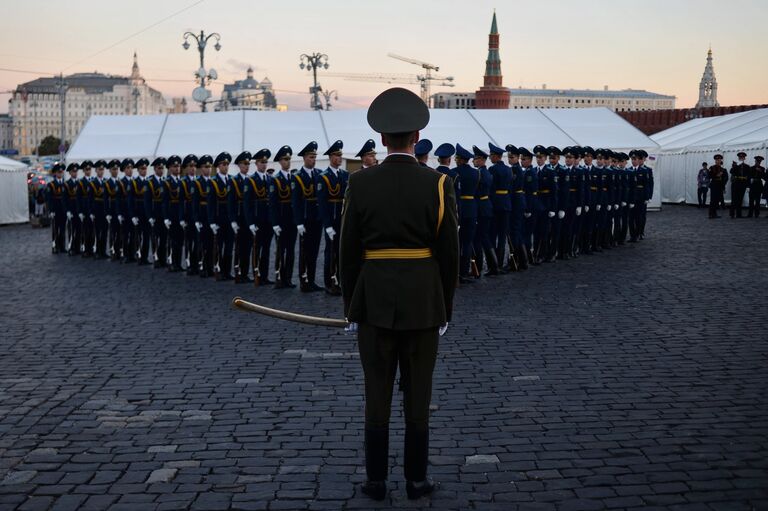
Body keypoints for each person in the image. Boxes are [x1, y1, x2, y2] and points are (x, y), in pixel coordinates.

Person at [340, 87, 459, 501]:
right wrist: (445, 307)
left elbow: (348, 251)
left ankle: (375, 481)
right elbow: (449, 254)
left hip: (373, 300)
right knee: (419, 394)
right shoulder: (439, 183)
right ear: (416, 136)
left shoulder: (361, 182)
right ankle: (415, 480)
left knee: (376, 392)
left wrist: (350, 305)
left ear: (383, 139)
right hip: (425, 302)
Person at [317, 140, 348, 295]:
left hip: (341, 219)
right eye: (336, 155)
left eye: (340, 155)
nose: (339, 158)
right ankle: (329, 282)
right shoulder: (324, 177)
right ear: (330, 157)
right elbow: (322, 203)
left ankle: (339, 281)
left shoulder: (344, 175)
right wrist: (327, 225)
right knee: (330, 252)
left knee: (341, 252)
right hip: (331, 219)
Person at [292, 142, 323, 292]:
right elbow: (296, 202)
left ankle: (311, 279)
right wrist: (298, 222)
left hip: (316, 219)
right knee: (304, 251)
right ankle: (303, 280)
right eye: (311, 157)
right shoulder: (298, 177)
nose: (313, 160)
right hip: (305, 219)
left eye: (315, 157)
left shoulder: (318, 174)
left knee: (315, 250)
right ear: (304, 158)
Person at [269, 145, 297, 288]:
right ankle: (279, 278)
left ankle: (288, 278)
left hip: (292, 221)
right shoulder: (275, 179)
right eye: (285, 159)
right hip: (281, 220)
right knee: (281, 250)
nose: (288, 162)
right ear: (280, 161)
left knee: (291, 250)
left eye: (289, 159)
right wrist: (275, 223)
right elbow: (273, 203)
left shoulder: (293, 177)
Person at [246, 149, 273, 284]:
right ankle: (256, 274)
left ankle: (265, 275)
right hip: (257, 220)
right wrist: (250, 222)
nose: (264, 165)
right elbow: (247, 203)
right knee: (257, 248)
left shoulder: (269, 179)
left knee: (267, 249)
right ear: (256, 163)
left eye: (265, 162)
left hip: (268, 220)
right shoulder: (251, 180)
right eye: (262, 162)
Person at [454, 143, 478, 282]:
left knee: (458, 243)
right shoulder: (476, 173)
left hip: (460, 208)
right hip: (472, 208)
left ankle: (457, 271)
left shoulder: (455, 172)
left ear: (460, 159)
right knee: (468, 243)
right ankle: (464, 270)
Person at [471, 145, 497, 276]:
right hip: (486, 206)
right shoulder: (487, 172)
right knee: (484, 237)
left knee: (478, 239)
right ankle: (493, 265)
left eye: (475, 159)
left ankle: (480, 267)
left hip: (481, 207)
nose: (473, 161)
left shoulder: (480, 174)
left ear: (481, 159)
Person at [209, 152, 234, 280]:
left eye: (227, 164)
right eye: (223, 164)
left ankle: (227, 271)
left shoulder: (231, 180)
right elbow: (211, 203)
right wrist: (212, 221)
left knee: (229, 247)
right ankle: (218, 270)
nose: (226, 167)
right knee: (218, 246)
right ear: (218, 166)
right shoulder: (213, 182)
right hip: (218, 218)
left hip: (229, 219)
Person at [487, 143, 511, 270]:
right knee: (502, 236)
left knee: (492, 234)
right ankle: (500, 262)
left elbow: (490, 188)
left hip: (496, 204)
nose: (490, 158)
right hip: (506, 204)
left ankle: (493, 264)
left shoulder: (492, 170)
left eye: (491, 155)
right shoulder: (508, 169)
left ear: (497, 156)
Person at [230, 151, 253, 282]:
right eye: (244, 164)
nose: (247, 166)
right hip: (239, 218)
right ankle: (238, 273)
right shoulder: (234, 181)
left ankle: (245, 273)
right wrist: (233, 220)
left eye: (248, 164)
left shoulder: (250, 180)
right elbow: (231, 202)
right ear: (239, 165)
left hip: (248, 218)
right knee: (239, 247)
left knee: (248, 246)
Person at [193, 155, 214, 277]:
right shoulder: (197, 183)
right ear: (201, 168)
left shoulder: (213, 181)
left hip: (211, 217)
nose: (208, 169)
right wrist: (196, 219)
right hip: (202, 216)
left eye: (210, 166)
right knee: (201, 243)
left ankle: (210, 267)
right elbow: (195, 203)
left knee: (211, 244)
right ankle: (201, 266)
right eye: (206, 167)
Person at [163, 155, 184, 272]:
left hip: (179, 215)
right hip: (171, 214)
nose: (177, 168)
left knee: (180, 240)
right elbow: (164, 202)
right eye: (175, 166)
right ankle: (171, 262)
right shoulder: (167, 183)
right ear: (170, 168)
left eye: (178, 166)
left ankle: (178, 263)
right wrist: (166, 217)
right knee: (172, 240)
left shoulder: (182, 182)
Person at [145, 157, 167, 268]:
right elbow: (147, 201)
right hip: (154, 212)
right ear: (154, 169)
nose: (161, 170)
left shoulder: (165, 181)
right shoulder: (150, 182)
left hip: (163, 214)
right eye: (159, 168)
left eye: (162, 168)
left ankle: (163, 258)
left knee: (164, 238)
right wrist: (149, 216)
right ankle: (156, 258)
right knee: (155, 238)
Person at [180, 155, 199, 274]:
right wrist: (181, 218)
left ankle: (197, 264)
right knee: (188, 242)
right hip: (188, 216)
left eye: (194, 166)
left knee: (198, 242)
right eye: (190, 166)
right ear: (186, 168)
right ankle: (189, 265)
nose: (193, 168)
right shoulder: (183, 183)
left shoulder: (199, 181)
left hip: (198, 216)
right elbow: (181, 202)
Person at [131, 158, 151, 265]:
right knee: (138, 236)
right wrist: (133, 215)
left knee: (147, 236)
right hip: (138, 211)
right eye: (142, 169)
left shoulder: (149, 182)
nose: (144, 171)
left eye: (145, 168)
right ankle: (138, 255)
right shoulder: (134, 182)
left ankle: (145, 256)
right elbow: (130, 200)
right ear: (138, 170)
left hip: (147, 213)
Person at [44, 163, 67, 254]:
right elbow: (49, 199)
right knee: (55, 229)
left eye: (61, 172)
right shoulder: (51, 185)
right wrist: (51, 210)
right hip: (55, 209)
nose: (60, 174)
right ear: (55, 173)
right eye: (58, 172)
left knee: (63, 228)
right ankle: (55, 246)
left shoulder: (65, 184)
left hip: (63, 209)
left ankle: (62, 246)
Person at [89, 160, 109, 259]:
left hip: (104, 209)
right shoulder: (93, 183)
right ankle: (96, 251)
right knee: (97, 232)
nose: (101, 171)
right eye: (99, 170)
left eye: (102, 169)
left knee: (104, 231)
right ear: (96, 170)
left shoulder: (106, 182)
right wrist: (91, 212)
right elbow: (90, 198)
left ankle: (103, 251)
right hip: (96, 208)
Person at [118, 159, 136, 263]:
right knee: (125, 234)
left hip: (133, 211)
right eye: (127, 168)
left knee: (133, 234)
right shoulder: (121, 182)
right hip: (124, 211)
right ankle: (125, 254)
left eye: (131, 168)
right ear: (124, 170)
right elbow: (118, 200)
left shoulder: (134, 181)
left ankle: (132, 254)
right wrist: (119, 213)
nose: (130, 170)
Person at [104, 160, 122, 260]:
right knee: (113, 232)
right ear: (110, 170)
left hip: (119, 210)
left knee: (120, 232)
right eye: (113, 169)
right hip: (112, 209)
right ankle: (113, 251)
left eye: (117, 169)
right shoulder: (107, 183)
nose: (115, 171)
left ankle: (120, 250)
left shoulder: (120, 182)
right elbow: (106, 199)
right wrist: (107, 213)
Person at [63, 163, 81, 255]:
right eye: (73, 171)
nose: (75, 173)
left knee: (79, 229)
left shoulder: (79, 183)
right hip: (71, 208)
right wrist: (67, 211)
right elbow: (64, 199)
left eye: (76, 171)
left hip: (78, 209)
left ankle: (77, 248)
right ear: (70, 173)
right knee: (71, 229)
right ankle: (71, 248)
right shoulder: (67, 184)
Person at [78, 160, 94, 257]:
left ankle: (92, 248)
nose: (88, 171)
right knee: (85, 231)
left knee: (92, 231)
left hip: (91, 208)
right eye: (86, 169)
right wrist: (80, 211)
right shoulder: (81, 182)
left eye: (89, 169)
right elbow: (78, 198)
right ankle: (85, 249)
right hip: (84, 208)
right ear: (84, 170)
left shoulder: (93, 180)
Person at [730, 151, 750, 218]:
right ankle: (732, 214)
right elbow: (731, 171)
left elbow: (748, 176)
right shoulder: (735, 165)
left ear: (744, 158)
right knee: (734, 199)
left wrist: (748, 186)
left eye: (742, 157)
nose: (741, 158)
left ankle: (739, 214)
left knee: (740, 199)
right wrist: (736, 165)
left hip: (743, 184)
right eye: (740, 157)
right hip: (736, 183)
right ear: (738, 158)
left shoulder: (747, 166)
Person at [708, 154, 727, 219]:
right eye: (717, 160)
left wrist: (723, 187)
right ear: (715, 161)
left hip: (720, 185)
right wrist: (717, 175)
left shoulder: (723, 169)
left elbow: (725, 178)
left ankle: (714, 213)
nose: (718, 161)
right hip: (714, 184)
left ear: (721, 160)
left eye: (719, 160)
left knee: (717, 200)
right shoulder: (712, 168)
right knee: (712, 200)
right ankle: (711, 214)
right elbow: (709, 176)